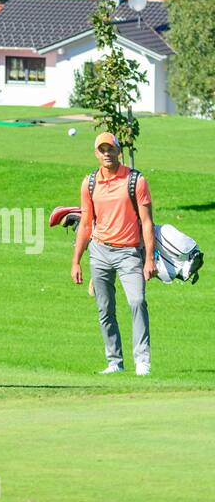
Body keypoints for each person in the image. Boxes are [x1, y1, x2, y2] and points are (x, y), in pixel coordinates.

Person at [70, 133, 157, 376]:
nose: (107, 153)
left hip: (129, 252)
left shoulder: (135, 180)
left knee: (137, 301)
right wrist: (76, 260)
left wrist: (149, 258)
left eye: (111, 148)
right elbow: (86, 224)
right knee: (104, 308)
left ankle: (142, 361)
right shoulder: (89, 183)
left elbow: (147, 222)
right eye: (102, 149)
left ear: (119, 150)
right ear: (96, 154)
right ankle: (115, 362)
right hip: (99, 251)